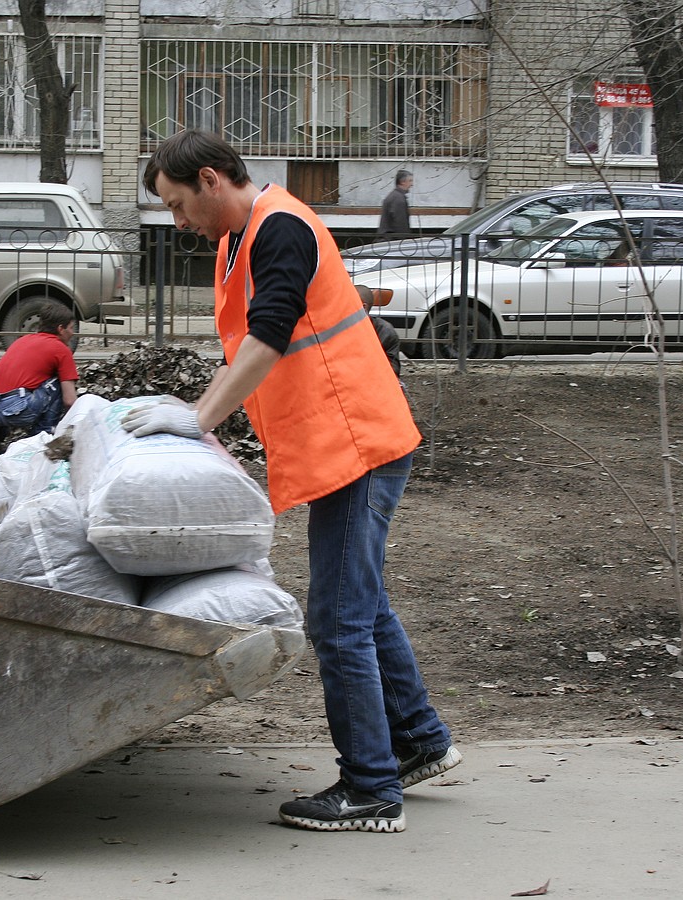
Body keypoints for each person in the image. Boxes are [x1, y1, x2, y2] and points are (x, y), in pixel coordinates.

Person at [125, 129, 459, 834]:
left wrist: (199, 418)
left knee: (338, 621)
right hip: (343, 441)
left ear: (212, 179)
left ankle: (370, 790)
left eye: (179, 204)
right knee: (362, 604)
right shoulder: (239, 239)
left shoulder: (280, 230)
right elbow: (250, 342)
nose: (178, 222)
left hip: (356, 442)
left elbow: (270, 336)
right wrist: (208, 416)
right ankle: (419, 742)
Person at [0, 301, 79, 456]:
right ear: (60, 329)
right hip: (14, 409)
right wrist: (78, 423)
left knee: (18, 385)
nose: (72, 333)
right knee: (56, 383)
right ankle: (40, 438)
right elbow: (69, 400)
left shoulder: (23, 340)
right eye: (70, 328)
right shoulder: (61, 350)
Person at [354, 284, 402, 376]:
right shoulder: (338, 328)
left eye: (349, 302)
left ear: (363, 307)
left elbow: (392, 372)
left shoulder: (385, 332)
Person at [377, 169, 413, 238]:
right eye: (410, 181)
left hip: (388, 240)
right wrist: (405, 240)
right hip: (393, 242)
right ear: (402, 182)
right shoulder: (399, 199)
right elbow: (401, 224)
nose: (412, 184)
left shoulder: (394, 196)